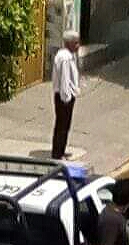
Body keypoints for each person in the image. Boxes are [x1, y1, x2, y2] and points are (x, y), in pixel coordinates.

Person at [51, 30, 81, 160]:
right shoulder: (65, 58)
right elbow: (65, 80)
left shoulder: (67, 55)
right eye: (76, 43)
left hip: (63, 96)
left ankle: (60, 150)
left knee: (64, 125)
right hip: (64, 97)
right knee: (62, 126)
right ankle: (58, 153)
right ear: (69, 43)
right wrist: (66, 98)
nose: (78, 46)